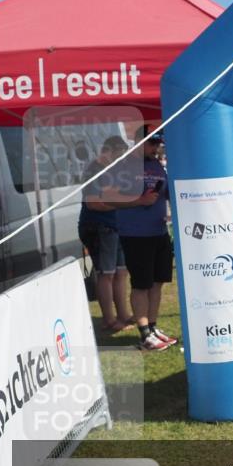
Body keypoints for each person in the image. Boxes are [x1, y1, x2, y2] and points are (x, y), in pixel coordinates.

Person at [114, 131, 177, 351]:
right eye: (152, 143)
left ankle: (152, 327)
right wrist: (139, 200)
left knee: (157, 282)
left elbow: (167, 192)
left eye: (158, 144)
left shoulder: (158, 166)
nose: (156, 148)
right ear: (138, 142)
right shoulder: (124, 166)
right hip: (135, 234)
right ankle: (144, 334)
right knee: (141, 284)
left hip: (159, 232)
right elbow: (110, 198)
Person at [78, 136, 134, 332]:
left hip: (115, 226)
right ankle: (109, 320)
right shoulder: (94, 170)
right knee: (106, 274)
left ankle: (123, 315)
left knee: (121, 272)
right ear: (108, 151)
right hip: (98, 227)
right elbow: (93, 203)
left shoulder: (113, 170)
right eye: (120, 155)